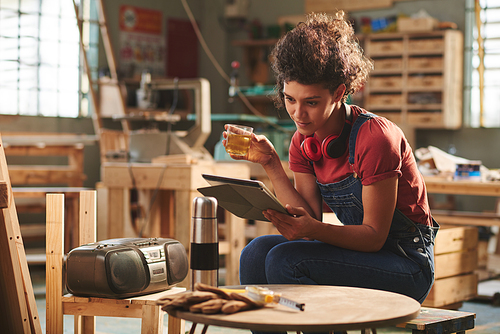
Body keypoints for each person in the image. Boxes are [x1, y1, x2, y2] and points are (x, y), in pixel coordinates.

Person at [223, 11, 439, 306]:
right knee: (255, 253)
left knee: (286, 260)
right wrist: (270, 162)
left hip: (405, 264)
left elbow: (375, 237)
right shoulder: (303, 142)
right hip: (359, 255)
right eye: (290, 99)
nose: (298, 114)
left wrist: (312, 229)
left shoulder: (376, 138)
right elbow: (308, 220)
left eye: (311, 102)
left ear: (339, 93)